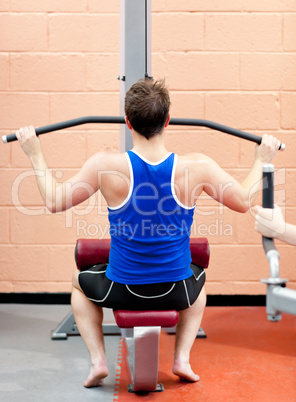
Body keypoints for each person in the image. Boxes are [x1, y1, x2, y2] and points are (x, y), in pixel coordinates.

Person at [16, 78, 281, 388]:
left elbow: (52, 201)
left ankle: (98, 361)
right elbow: (243, 200)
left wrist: (34, 152)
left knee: (78, 283)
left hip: (121, 288)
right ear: (167, 121)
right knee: (200, 276)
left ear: (128, 122)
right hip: (177, 290)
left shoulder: (106, 164)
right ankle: (181, 358)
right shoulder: (197, 166)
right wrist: (261, 160)